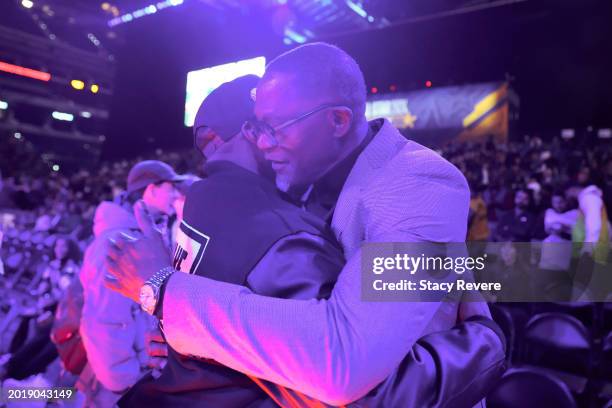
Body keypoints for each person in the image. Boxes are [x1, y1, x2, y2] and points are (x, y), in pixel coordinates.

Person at [106, 43, 504, 406]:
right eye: (256, 128)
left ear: (337, 120)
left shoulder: (417, 184)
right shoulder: (297, 175)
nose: (262, 144)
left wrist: (163, 292)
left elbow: (344, 364)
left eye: (275, 127)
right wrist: (191, 343)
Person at [78, 160, 185, 406]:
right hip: (120, 383)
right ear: (152, 189)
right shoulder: (118, 241)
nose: (176, 195)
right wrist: (124, 379)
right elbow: (103, 320)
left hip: (137, 372)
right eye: (172, 187)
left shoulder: (134, 236)